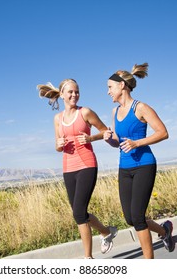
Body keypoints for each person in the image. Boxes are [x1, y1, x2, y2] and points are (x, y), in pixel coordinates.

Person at [38, 78, 118, 259]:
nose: (74, 95)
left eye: (77, 92)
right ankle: (106, 232)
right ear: (62, 95)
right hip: (68, 167)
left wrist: (91, 138)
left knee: (79, 213)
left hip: (87, 164)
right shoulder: (57, 118)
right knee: (78, 212)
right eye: (71, 92)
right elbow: (58, 147)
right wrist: (58, 144)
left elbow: (106, 132)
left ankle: (88, 258)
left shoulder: (86, 112)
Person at [103, 63, 175, 259]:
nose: (108, 91)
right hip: (124, 167)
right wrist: (110, 139)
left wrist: (137, 143)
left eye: (110, 87)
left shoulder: (141, 107)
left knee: (137, 217)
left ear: (122, 86)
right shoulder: (114, 112)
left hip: (144, 164)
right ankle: (164, 231)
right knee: (130, 218)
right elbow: (118, 142)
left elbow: (163, 133)